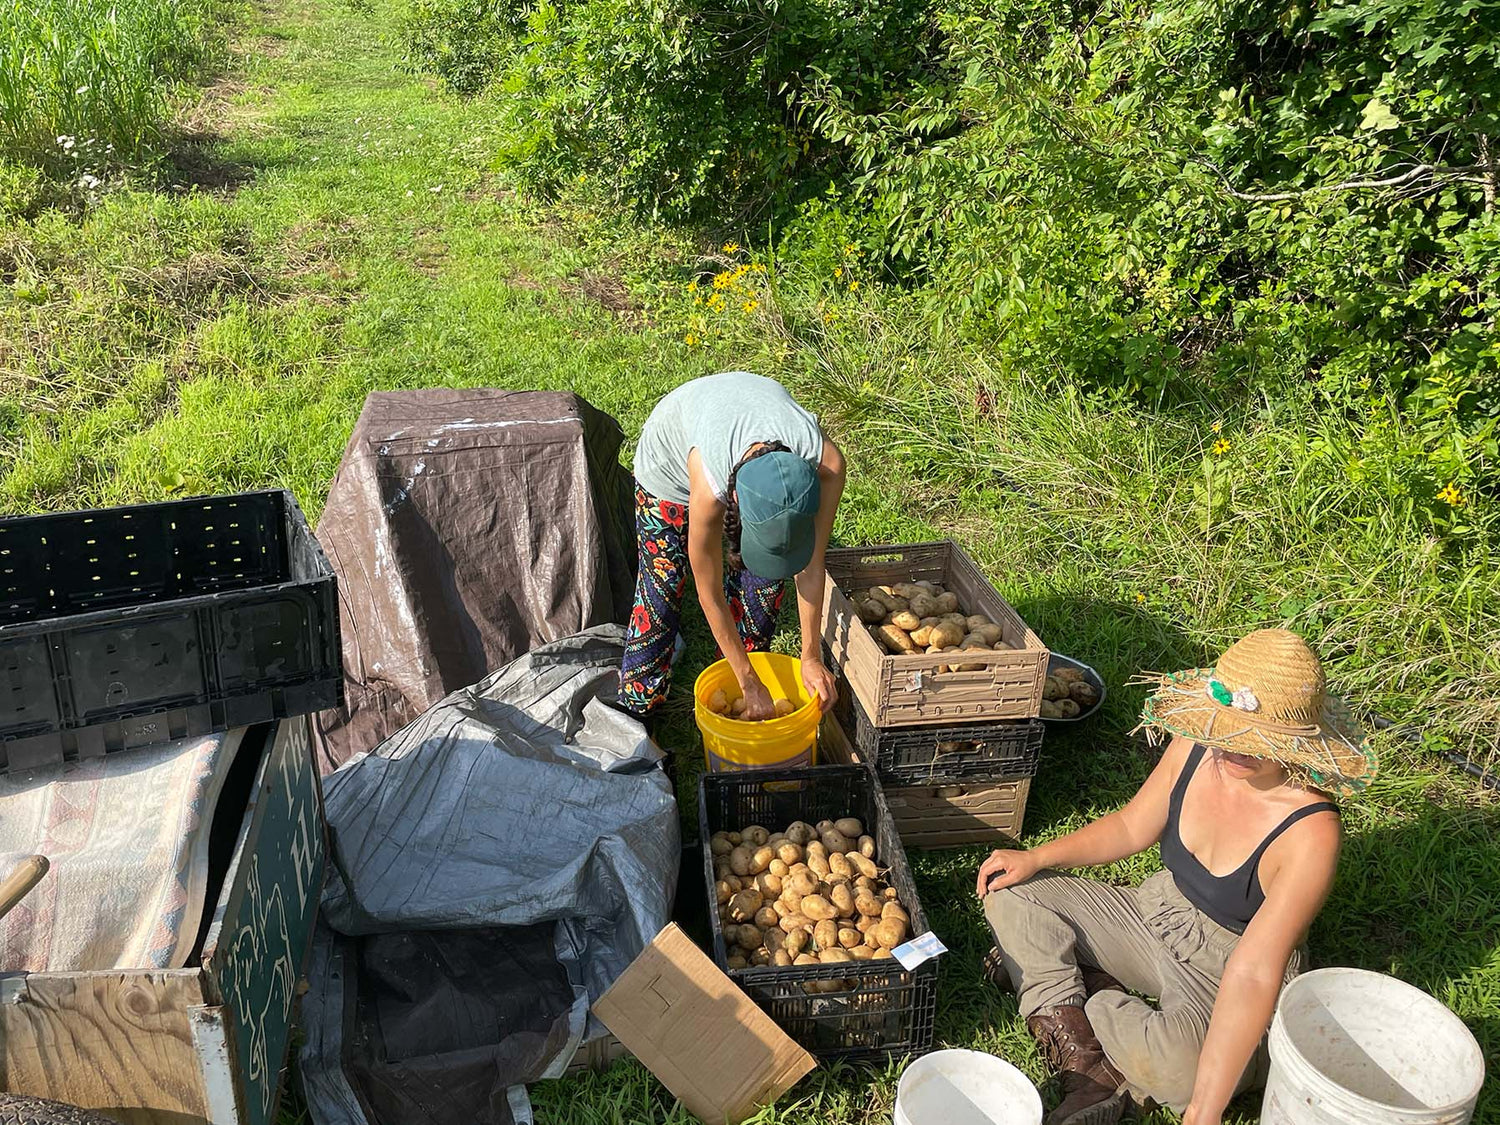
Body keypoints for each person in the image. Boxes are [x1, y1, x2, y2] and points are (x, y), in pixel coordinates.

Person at [976, 629, 1375, 1125]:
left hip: (1225, 962)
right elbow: (1130, 825)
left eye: (1252, 743)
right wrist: (1036, 857)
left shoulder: (1309, 831)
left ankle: (1084, 992)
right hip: (1156, 911)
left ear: (1294, 745)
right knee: (1011, 890)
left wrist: (1202, 1115)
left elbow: (1253, 973)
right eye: (1222, 732)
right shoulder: (1198, 743)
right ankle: (1089, 1057)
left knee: (1181, 1070)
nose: (1228, 750)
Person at [620, 371, 846, 718]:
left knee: (768, 578)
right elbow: (706, 589)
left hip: (745, 407)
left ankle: (742, 665)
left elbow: (811, 565)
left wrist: (811, 655)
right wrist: (749, 684)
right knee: (663, 583)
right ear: (735, 500)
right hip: (668, 462)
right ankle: (640, 704)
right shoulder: (709, 486)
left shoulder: (827, 464)